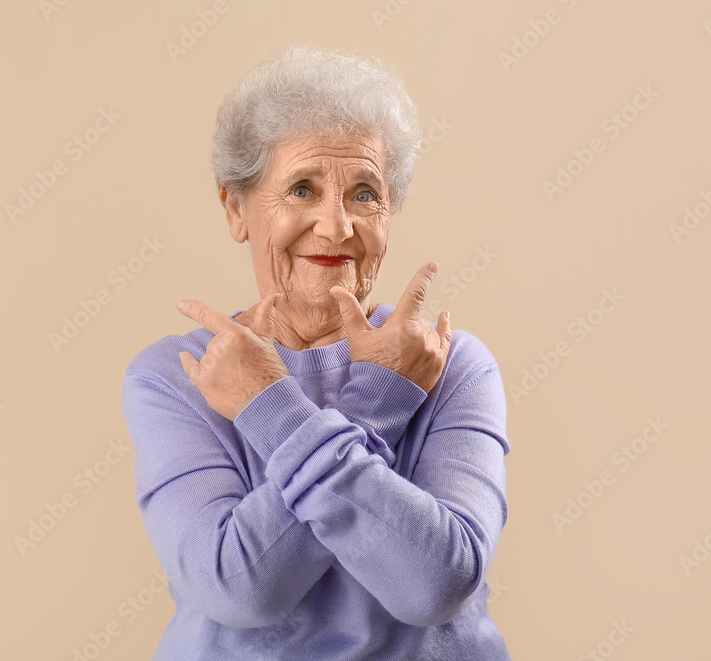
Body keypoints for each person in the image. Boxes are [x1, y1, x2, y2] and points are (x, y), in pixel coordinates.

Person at [121, 44, 512, 660]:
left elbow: (436, 587)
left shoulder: (450, 363)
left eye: (364, 193)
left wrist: (277, 411)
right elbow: (240, 589)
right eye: (301, 189)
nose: (336, 227)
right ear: (235, 208)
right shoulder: (181, 377)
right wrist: (380, 402)